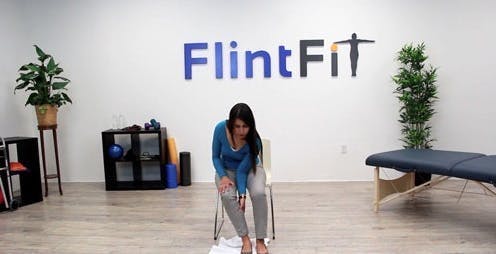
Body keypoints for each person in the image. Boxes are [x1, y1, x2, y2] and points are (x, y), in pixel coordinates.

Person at [212, 103, 269, 254]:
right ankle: (244, 238)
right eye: (237, 126)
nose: (241, 131)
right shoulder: (219, 130)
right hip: (226, 170)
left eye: (245, 126)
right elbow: (215, 157)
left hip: (251, 169)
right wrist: (223, 176)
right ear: (231, 124)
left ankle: (260, 239)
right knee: (226, 194)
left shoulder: (254, 141)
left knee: (258, 193)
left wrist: (242, 195)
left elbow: (242, 172)